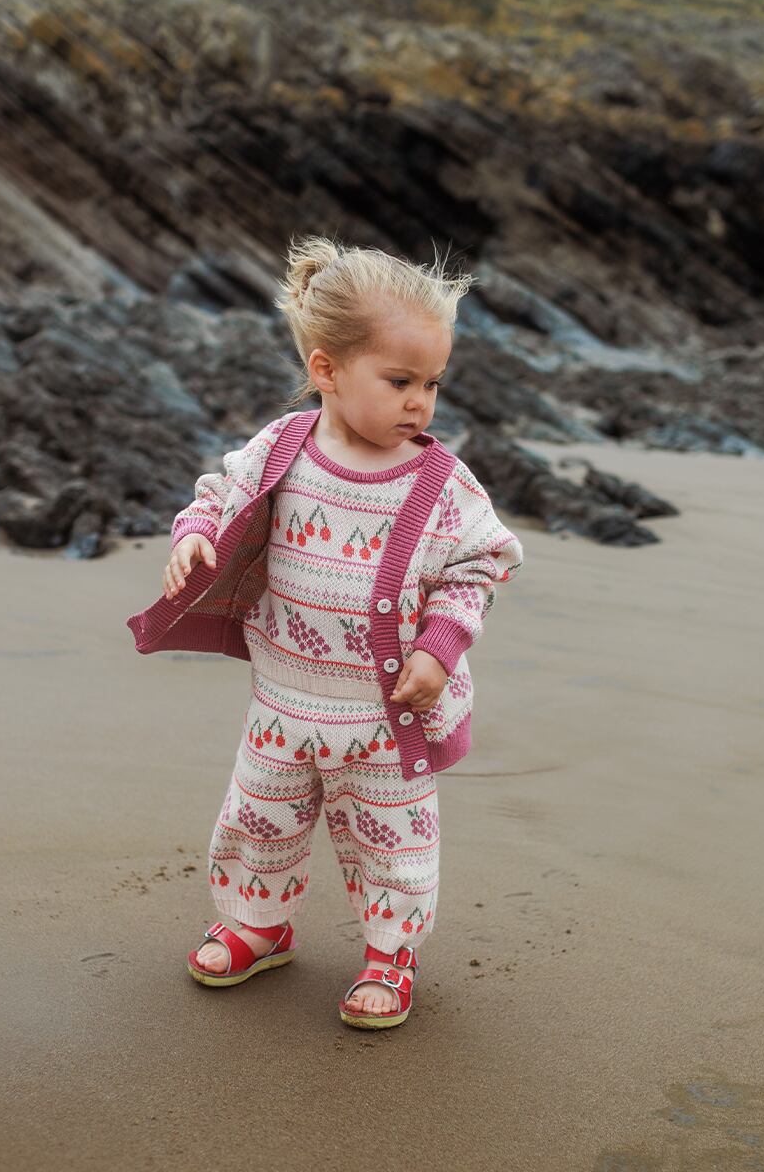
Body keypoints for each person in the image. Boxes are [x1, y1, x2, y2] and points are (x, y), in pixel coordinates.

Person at [141, 234, 524, 1028]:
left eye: (432, 383)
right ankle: (258, 925)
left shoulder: (442, 485)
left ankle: (390, 953)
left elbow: (480, 565)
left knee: (393, 843)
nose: (420, 402)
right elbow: (216, 496)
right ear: (327, 369)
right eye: (399, 381)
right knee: (258, 822)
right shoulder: (281, 449)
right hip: (282, 700)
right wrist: (194, 537)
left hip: (387, 715)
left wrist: (439, 649)